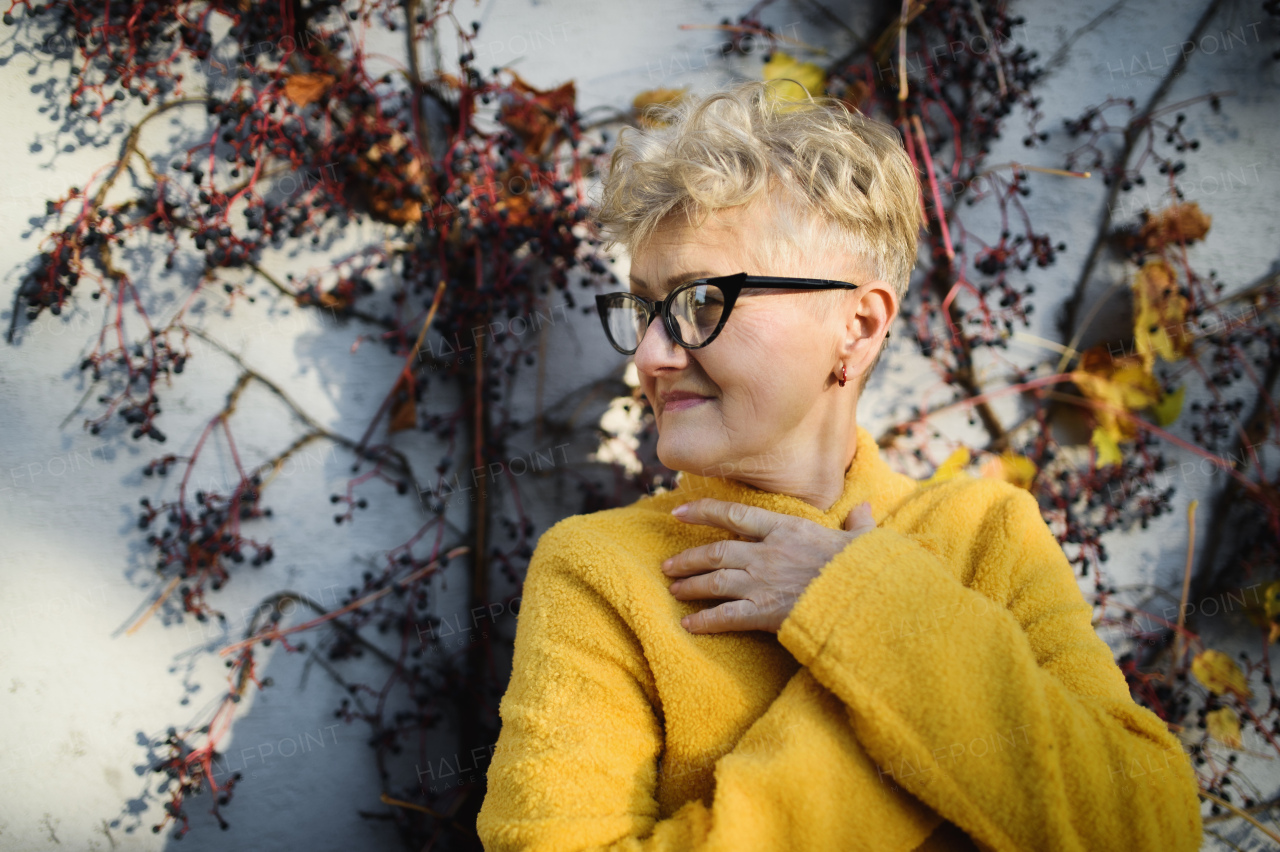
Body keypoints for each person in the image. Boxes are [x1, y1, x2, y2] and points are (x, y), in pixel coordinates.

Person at [476, 79, 1202, 851]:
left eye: (699, 303)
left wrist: (857, 602)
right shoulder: (601, 572)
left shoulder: (987, 534)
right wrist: (913, 704)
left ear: (856, 325)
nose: (652, 356)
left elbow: (1150, 827)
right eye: (645, 309)